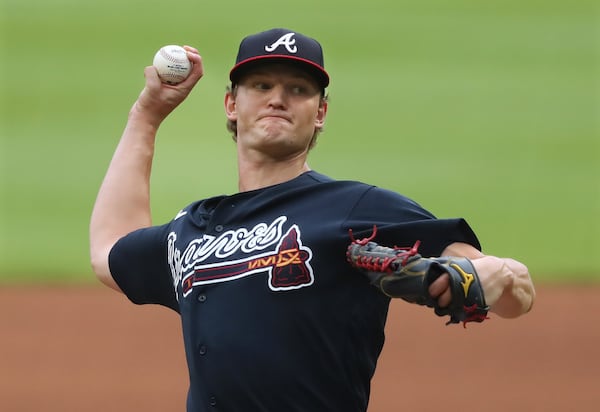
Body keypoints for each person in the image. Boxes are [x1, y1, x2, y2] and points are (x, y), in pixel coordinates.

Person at [89, 28, 535, 412]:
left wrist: (489, 274)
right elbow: (111, 250)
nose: (278, 98)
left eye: (298, 89)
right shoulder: (195, 228)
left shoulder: (355, 207)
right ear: (231, 104)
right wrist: (147, 115)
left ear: (320, 112)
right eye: (261, 86)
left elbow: (508, 283)